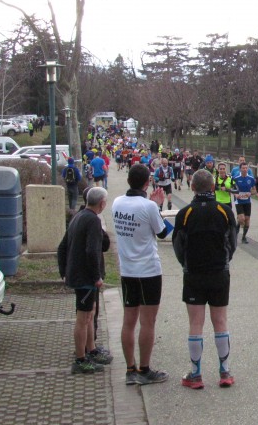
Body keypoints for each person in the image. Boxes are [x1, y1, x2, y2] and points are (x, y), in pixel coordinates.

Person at [172, 169, 237, 389]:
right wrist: (224, 261)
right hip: (219, 273)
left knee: (195, 323)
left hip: (194, 274)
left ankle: (196, 374)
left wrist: (186, 265)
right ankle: (225, 372)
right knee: (220, 321)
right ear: (213, 187)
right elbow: (232, 242)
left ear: (192, 187)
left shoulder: (185, 213)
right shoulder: (224, 211)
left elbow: (178, 245)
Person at [112, 164, 172, 385]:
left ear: (129, 180)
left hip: (127, 270)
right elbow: (163, 232)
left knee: (129, 321)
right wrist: (158, 206)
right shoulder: (149, 206)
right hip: (148, 271)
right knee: (148, 322)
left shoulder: (117, 203)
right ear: (147, 183)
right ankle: (145, 369)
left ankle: (130, 369)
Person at [57, 187, 113, 374]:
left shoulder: (78, 216)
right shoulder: (93, 220)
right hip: (85, 277)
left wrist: (64, 270)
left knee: (90, 313)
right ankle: (80, 359)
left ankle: (92, 349)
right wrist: (96, 276)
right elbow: (92, 250)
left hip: (78, 273)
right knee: (83, 318)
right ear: (102, 203)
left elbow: (62, 246)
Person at [234, 162, 256, 244]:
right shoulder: (236, 178)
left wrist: (250, 193)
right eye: (243, 168)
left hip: (247, 201)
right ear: (240, 169)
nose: (245, 169)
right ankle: (235, 232)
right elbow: (232, 188)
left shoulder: (251, 178)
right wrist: (236, 194)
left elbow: (254, 190)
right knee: (241, 219)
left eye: (246, 168)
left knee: (247, 220)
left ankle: (243, 237)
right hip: (239, 201)